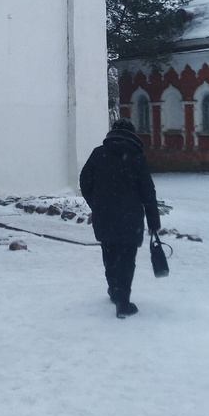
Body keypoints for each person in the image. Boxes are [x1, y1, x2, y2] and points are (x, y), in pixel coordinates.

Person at [80, 118, 161, 319]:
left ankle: (113, 289)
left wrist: (96, 203)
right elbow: (147, 192)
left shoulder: (99, 154)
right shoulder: (137, 157)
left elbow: (84, 181)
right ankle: (123, 300)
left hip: (105, 215)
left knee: (109, 253)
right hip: (130, 218)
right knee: (127, 258)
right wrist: (153, 221)